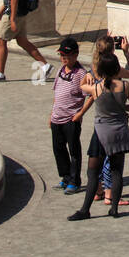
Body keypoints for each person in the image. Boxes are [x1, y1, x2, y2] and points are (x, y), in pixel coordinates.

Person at [68, 52, 129, 220]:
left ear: (101, 70)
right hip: (120, 132)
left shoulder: (97, 88)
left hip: (101, 133)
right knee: (116, 172)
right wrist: (122, 109)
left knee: (93, 172)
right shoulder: (125, 86)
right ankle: (114, 208)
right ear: (117, 69)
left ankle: (85, 210)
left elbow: (81, 86)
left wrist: (89, 76)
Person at [82, 34, 129, 207]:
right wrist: (127, 53)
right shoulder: (119, 77)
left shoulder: (95, 68)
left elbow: (83, 87)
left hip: (100, 123)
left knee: (95, 164)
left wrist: (86, 77)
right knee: (113, 165)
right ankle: (110, 196)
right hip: (117, 125)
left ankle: (96, 195)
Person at [48, 38, 88, 194]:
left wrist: (80, 113)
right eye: (62, 55)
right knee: (58, 149)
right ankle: (65, 177)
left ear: (76, 55)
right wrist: (51, 113)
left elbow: (90, 96)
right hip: (57, 117)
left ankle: (75, 181)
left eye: (68, 55)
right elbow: (57, 93)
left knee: (74, 150)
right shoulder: (60, 70)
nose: (64, 58)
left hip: (71, 119)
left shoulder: (81, 74)